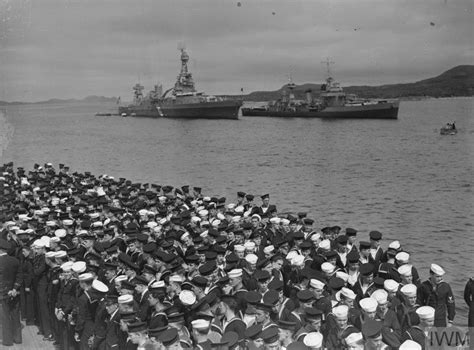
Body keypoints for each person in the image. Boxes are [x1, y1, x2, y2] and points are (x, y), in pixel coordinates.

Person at [0, 239, 22, 346]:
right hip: (14, 292)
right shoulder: (15, 260)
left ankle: (7, 341)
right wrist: (14, 289)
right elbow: (19, 276)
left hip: (2, 293)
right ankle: (17, 338)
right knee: (15, 315)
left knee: (4, 317)